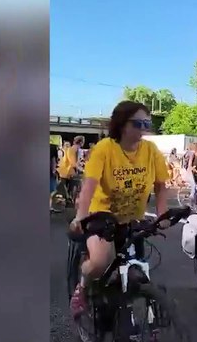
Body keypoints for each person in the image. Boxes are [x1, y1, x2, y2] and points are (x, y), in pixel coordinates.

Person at [68, 101, 171, 319]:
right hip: (101, 216)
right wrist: (81, 217)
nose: (143, 128)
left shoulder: (151, 151)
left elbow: (161, 186)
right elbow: (89, 186)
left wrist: (162, 215)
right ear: (123, 125)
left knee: (137, 272)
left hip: (132, 219)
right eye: (138, 123)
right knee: (98, 263)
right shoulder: (105, 148)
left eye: (147, 123)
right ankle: (82, 288)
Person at [54, 136, 85, 204]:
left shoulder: (77, 150)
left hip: (69, 173)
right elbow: (73, 163)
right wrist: (82, 170)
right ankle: (62, 203)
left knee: (69, 189)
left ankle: (67, 201)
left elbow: (77, 162)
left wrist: (81, 165)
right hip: (65, 172)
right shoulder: (71, 149)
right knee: (65, 190)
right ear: (81, 142)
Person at [50, 143, 59, 212]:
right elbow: (53, 161)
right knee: (52, 190)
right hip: (49, 173)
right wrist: (54, 171)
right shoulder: (52, 148)